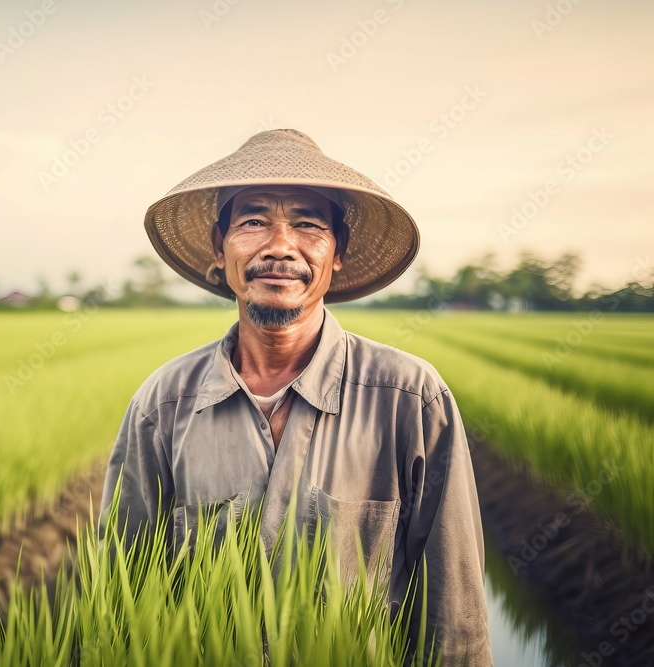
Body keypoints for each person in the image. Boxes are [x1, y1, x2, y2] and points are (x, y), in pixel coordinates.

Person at [98, 128, 492, 665]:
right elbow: (123, 603)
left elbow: (455, 620)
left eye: (307, 223)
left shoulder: (410, 399)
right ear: (220, 248)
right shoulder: (163, 405)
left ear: (338, 254)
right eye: (253, 221)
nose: (279, 246)